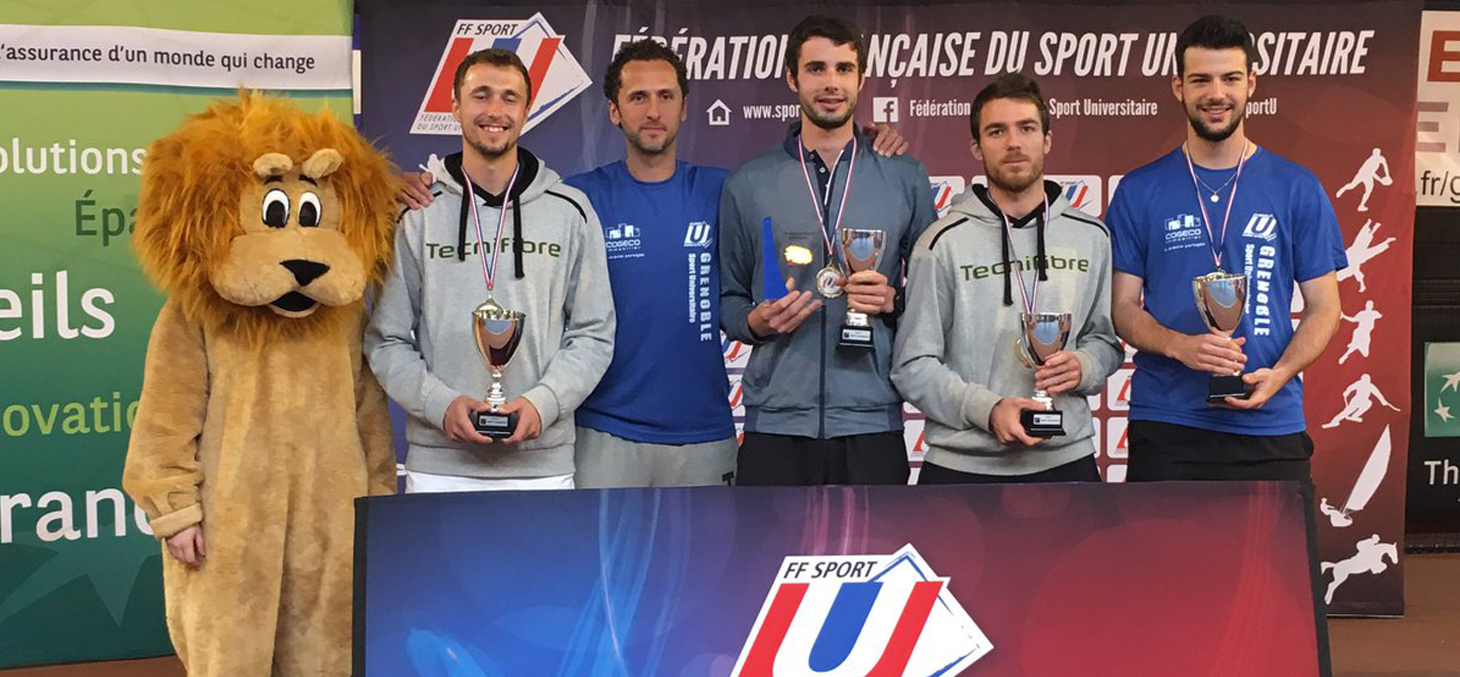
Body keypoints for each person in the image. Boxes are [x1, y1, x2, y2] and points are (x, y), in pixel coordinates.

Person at [396, 41, 909, 488]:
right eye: (637, 97)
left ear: (686, 107)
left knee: (706, 590)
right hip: (604, 432)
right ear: (614, 111)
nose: (653, 110)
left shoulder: (727, 188)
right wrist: (408, 185)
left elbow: (809, 172)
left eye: (666, 96)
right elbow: (494, 203)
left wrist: (867, 142)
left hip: (706, 432)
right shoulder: (575, 199)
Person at [1106, 15, 1346, 483]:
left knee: (1275, 560)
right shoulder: (1139, 190)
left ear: (1251, 83)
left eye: (1230, 78)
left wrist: (1280, 374)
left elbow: (1325, 308)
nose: (1216, 93)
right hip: (1168, 423)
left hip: (1270, 420)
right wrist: (1180, 347)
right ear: (1178, 86)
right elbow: (1121, 309)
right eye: (1201, 79)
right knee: (1164, 560)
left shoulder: (1298, 187)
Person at [365, 48, 615, 492]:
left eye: (509, 98)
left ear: (526, 110)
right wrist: (441, 405)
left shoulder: (570, 211)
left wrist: (543, 404)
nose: (495, 111)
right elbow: (387, 340)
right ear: (455, 107)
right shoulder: (417, 213)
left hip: (542, 465)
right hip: (440, 465)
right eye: (481, 96)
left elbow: (593, 333)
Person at [719, 15, 938, 485]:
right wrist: (753, 323)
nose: (831, 83)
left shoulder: (904, 175)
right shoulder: (748, 183)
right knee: (765, 559)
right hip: (776, 422)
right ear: (791, 77)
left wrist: (893, 301)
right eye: (817, 68)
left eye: (844, 69)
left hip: (870, 419)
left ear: (860, 79)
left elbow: (934, 298)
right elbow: (728, 299)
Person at [892, 73, 1120, 483]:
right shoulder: (940, 242)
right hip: (962, 466)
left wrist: (1084, 366)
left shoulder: (1093, 236)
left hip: (1065, 460)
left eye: (1027, 128)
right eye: (997, 131)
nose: (1013, 143)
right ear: (977, 146)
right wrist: (989, 409)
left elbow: (1104, 341)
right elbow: (913, 365)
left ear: (1047, 140)